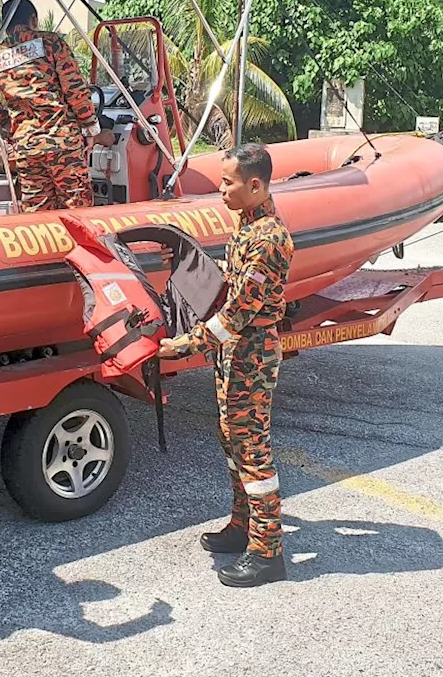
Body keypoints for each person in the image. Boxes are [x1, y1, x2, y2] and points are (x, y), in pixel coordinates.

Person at [154, 143, 295, 588]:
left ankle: (268, 551)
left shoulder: (270, 238)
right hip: (234, 353)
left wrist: (182, 346)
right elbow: (232, 280)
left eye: (228, 182)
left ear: (255, 185)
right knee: (231, 440)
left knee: (252, 448)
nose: (221, 190)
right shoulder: (248, 226)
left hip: (250, 351)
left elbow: (238, 313)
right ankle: (243, 527)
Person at [0, 0, 113, 212]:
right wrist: (91, 127)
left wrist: (12, 125)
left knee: (38, 213)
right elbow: (75, 90)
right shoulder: (51, 43)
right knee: (78, 209)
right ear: (34, 19)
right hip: (62, 142)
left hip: (26, 147)